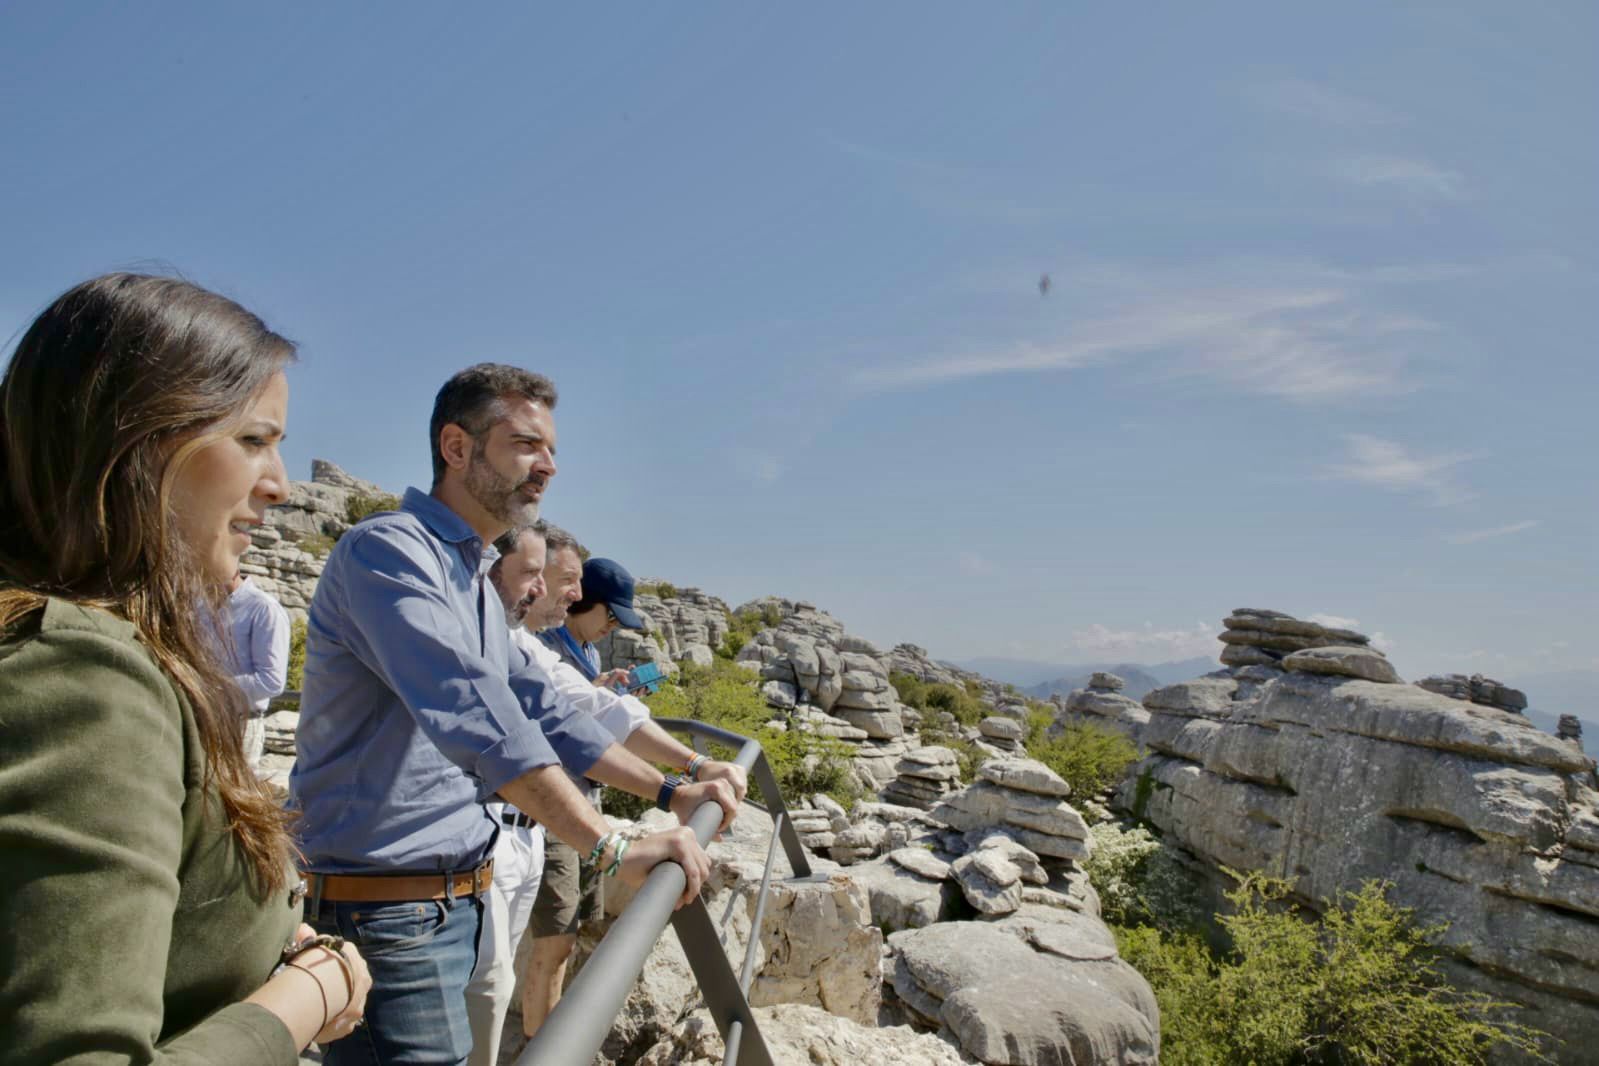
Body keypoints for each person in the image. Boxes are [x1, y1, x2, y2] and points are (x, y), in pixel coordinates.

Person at [289, 364, 738, 1066]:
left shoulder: (468, 576)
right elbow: (478, 712)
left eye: (551, 450)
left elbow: (552, 712)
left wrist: (674, 792)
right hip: (384, 908)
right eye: (526, 444)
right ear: (457, 447)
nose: (548, 467)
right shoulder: (388, 553)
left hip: (450, 898)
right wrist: (611, 845)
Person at [0, 273, 370, 1064]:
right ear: (136, 439)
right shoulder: (85, 677)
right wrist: (310, 993)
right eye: (252, 440)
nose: (276, 484)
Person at [464, 525, 747, 1062]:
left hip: (516, 840)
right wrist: (633, 829)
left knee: (491, 989)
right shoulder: (484, 636)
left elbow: (581, 714)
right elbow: (546, 737)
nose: (569, 593)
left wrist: (684, 776)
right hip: (489, 838)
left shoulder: (520, 647)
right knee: (481, 993)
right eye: (550, 577)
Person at [220, 570, 292, 770]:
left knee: (231, 799)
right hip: (200, 719)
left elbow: (271, 681)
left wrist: (214, 685)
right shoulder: (200, 604)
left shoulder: (263, 608)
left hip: (240, 725)